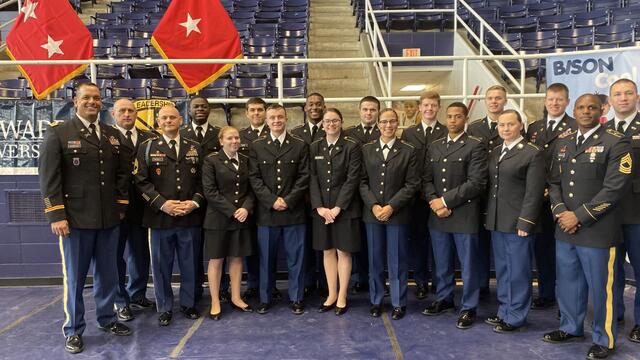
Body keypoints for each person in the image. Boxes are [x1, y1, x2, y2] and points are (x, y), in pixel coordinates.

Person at [39, 82, 132, 354]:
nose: (92, 102)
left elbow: (122, 175)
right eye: (86, 98)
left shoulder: (112, 135)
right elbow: (49, 179)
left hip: (108, 219)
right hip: (74, 222)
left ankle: (106, 319)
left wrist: (121, 205)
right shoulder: (59, 133)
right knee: (75, 279)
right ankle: (73, 329)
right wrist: (56, 215)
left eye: (97, 98)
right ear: (75, 101)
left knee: (108, 275)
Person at [543, 94, 632, 360]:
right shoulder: (564, 141)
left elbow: (614, 188)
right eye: (581, 107)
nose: (585, 111)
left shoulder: (616, 141)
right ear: (574, 110)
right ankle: (570, 328)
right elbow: (554, 182)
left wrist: (579, 216)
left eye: (591, 107)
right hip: (565, 229)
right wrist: (560, 212)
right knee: (568, 283)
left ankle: (604, 338)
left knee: (600, 287)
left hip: (597, 230)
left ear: (602, 110)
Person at [134, 105, 204, 327]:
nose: (168, 121)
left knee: (190, 263)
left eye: (172, 117)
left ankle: (189, 303)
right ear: (157, 121)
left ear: (181, 120)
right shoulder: (147, 148)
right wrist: (163, 205)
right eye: (164, 118)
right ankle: (164, 307)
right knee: (161, 266)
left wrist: (194, 203)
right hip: (160, 218)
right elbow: (140, 182)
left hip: (189, 216)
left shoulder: (195, 147)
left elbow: (205, 180)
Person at [422, 102, 488, 329]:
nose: (452, 120)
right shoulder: (435, 145)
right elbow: (427, 179)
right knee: (442, 262)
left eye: (457, 117)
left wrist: (445, 201)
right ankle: (444, 298)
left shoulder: (475, 145)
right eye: (449, 116)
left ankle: (469, 307)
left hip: (464, 214)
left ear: (465, 119)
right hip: (438, 215)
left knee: (468, 265)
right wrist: (434, 202)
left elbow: (476, 182)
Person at [484, 110, 545, 332]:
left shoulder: (532, 152)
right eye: (501, 125)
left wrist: (526, 221)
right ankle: (504, 310)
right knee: (503, 270)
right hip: (498, 220)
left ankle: (517, 316)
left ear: (520, 125)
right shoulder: (496, 151)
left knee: (518, 270)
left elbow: (534, 192)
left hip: (518, 223)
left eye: (510, 124)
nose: (506, 129)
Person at [248, 104, 310, 315]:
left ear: (287, 119)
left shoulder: (300, 145)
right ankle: (265, 298)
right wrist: (272, 200)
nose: (276, 121)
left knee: (297, 259)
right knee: (266, 259)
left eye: (280, 117)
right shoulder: (257, 146)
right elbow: (254, 178)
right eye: (272, 117)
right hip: (267, 213)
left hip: (294, 212)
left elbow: (304, 177)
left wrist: (288, 200)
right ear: (266, 120)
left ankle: (296, 297)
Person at [360, 108, 420, 320]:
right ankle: (376, 300)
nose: (388, 125)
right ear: (378, 124)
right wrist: (374, 206)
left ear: (397, 124)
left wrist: (391, 207)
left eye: (392, 121)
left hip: (398, 215)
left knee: (397, 261)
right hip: (372, 215)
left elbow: (412, 184)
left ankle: (398, 302)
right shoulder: (367, 149)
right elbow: (362, 182)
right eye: (384, 122)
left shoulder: (408, 150)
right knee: (375, 260)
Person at [526, 83, 576, 310]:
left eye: (559, 99)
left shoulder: (576, 127)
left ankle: (568, 300)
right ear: (545, 101)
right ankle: (546, 293)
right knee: (543, 249)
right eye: (550, 99)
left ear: (567, 102)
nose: (554, 103)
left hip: (566, 199)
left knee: (566, 254)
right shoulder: (534, 128)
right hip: (538, 200)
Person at [310, 108, 362, 315]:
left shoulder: (352, 146)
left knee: (343, 251)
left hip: (345, 210)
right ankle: (331, 294)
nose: (330, 124)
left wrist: (338, 207)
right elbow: (312, 178)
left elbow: (352, 179)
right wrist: (321, 208)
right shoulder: (315, 146)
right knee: (328, 251)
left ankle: (342, 295)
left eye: (335, 121)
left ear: (341, 122)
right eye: (327, 121)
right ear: (322, 124)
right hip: (323, 211)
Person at [202, 126, 255, 320]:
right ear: (221, 141)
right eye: (230, 138)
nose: (235, 141)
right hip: (218, 219)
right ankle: (215, 301)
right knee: (216, 260)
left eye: (237, 138)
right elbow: (210, 191)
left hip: (241, 218)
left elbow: (252, 189)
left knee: (237, 258)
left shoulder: (246, 161)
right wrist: (233, 211)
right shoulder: (211, 161)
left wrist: (246, 208)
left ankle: (236, 296)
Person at [112, 99, 156, 322]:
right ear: (113, 114)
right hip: (115, 209)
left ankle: (137, 293)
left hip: (142, 206)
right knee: (116, 256)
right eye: (123, 111)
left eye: (131, 111)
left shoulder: (148, 138)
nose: (127, 115)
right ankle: (120, 301)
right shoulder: (107, 138)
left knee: (140, 254)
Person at [400, 91, 447, 300]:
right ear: (419, 108)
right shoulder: (409, 133)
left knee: (440, 243)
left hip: (440, 199)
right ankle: (420, 282)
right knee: (418, 242)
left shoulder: (446, 131)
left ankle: (439, 282)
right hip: (416, 199)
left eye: (433, 105)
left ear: (438, 107)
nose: (429, 109)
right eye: (425, 105)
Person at [606, 78, 640, 343]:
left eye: (628, 93)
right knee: (611, 271)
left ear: (637, 97)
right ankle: (614, 313)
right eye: (618, 94)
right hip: (607, 215)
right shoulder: (602, 129)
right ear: (610, 100)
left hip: (638, 214)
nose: (624, 98)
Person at [180, 95, 223, 303]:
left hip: (216, 201)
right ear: (189, 111)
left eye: (204, 107)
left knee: (219, 248)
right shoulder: (181, 134)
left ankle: (222, 289)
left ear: (209, 110)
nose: (200, 109)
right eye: (196, 107)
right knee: (193, 250)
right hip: (192, 200)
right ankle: (195, 289)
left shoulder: (218, 134)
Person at [467, 85, 508, 298]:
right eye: (490, 98)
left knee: (503, 250)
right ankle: (481, 286)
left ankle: (504, 291)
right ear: (485, 101)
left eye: (498, 98)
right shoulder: (474, 128)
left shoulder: (512, 125)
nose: (494, 102)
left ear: (505, 100)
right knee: (479, 245)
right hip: (479, 194)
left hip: (504, 195)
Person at [344, 96, 381, 294]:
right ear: (359, 111)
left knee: (376, 245)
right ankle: (360, 277)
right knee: (357, 242)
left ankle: (377, 279)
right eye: (365, 109)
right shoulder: (348, 133)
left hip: (377, 197)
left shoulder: (384, 131)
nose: (369, 113)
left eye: (373, 110)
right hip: (353, 198)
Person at [292, 92, 327, 298]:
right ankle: (306, 282)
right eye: (310, 104)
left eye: (318, 104)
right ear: (305, 108)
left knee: (325, 244)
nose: (314, 107)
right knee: (303, 244)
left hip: (327, 200)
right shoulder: (296, 134)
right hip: (302, 199)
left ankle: (324, 283)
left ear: (324, 107)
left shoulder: (333, 128)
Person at [238, 97, 271, 300]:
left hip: (267, 199)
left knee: (268, 248)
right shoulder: (239, 136)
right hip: (247, 199)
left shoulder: (274, 134)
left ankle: (270, 285)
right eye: (253, 110)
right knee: (251, 245)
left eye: (260, 110)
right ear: (246, 113)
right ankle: (252, 283)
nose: (257, 113)